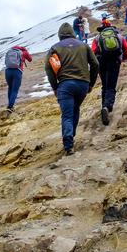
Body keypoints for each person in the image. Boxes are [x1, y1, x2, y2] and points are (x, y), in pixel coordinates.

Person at [45, 23, 99, 155]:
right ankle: (71, 136)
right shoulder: (83, 45)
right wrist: (91, 83)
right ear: (72, 33)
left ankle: (68, 144)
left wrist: (55, 87)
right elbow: (95, 64)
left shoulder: (55, 48)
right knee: (75, 109)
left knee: (67, 114)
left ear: (60, 36)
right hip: (82, 85)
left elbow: (49, 68)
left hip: (65, 85)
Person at [91, 19, 127, 125]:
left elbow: (93, 52)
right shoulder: (119, 37)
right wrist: (122, 58)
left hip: (101, 62)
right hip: (114, 62)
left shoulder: (97, 38)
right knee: (111, 86)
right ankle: (107, 107)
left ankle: (104, 105)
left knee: (104, 85)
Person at [4, 45, 33, 112]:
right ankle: (10, 106)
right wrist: (25, 53)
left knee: (10, 88)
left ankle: (10, 105)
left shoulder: (9, 51)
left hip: (7, 71)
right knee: (15, 89)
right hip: (17, 71)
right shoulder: (23, 52)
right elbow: (30, 60)